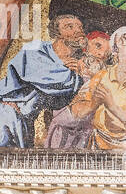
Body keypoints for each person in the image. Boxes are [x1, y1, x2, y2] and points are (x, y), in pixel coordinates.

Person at [68, 24, 126, 152]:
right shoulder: (102, 76)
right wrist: (93, 104)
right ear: (119, 42)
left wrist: (111, 105)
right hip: (97, 146)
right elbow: (75, 112)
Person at [0, 12, 88, 147]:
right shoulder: (34, 48)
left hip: (25, 122)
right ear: (57, 32)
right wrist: (66, 69)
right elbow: (44, 78)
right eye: (69, 26)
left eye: (80, 27)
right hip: (6, 111)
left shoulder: (76, 66)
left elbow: (62, 99)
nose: (78, 31)